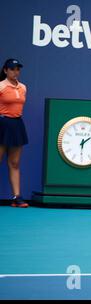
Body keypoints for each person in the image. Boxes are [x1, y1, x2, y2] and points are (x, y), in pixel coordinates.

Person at [0, 59, 29, 207]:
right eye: (12, 69)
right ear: (5, 71)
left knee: (15, 163)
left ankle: (17, 197)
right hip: (2, 123)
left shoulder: (23, 87)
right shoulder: (1, 86)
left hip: (17, 124)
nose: (15, 72)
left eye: (17, 69)